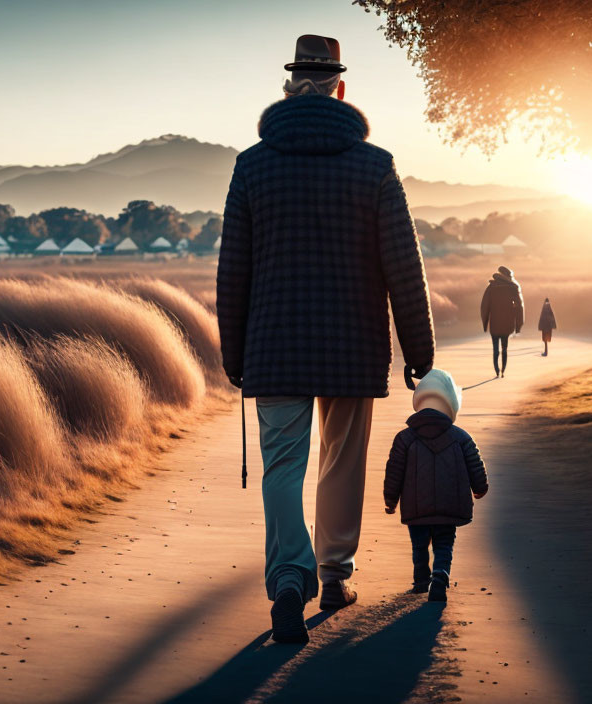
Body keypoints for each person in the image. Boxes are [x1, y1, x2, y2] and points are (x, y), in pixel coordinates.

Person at [217, 34, 435, 643]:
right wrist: (420, 354)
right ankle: (335, 575)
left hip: (275, 347)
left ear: (288, 91)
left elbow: (233, 271)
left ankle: (290, 577)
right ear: (341, 90)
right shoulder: (375, 165)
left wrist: (235, 356)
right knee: (341, 464)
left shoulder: (252, 165)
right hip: (351, 347)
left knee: (282, 467)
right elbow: (403, 267)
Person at [383, 369, 489, 603]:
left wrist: (390, 500)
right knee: (444, 543)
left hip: (416, 507)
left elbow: (394, 471)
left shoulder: (404, 439)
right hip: (449, 506)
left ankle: (421, 579)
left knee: (419, 544)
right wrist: (480, 487)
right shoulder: (461, 437)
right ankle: (440, 575)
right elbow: (475, 464)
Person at [480, 265, 524, 378]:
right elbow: (520, 307)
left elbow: (484, 306)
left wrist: (485, 323)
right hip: (507, 325)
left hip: (494, 324)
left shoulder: (491, 287)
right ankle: (503, 371)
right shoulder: (513, 288)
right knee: (504, 349)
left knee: (495, 349)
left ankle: (497, 371)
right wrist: (518, 325)